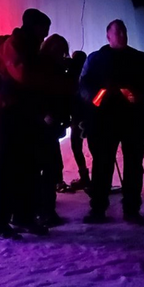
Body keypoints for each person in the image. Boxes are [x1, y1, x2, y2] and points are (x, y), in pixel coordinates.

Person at [0, 8, 54, 239]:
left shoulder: (31, 47)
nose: (44, 36)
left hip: (24, 115)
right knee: (5, 170)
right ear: (33, 26)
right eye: (43, 31)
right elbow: (23, 75)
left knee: (28, 168)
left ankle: (23, 216)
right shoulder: (13, 44)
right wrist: (49, 75)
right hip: (6, 115)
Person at [79, 19, 144, 225]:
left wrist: (136, 93)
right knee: (102, 166)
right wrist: (99, 96)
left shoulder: (140, 58)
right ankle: (98, 208)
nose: (122, 35)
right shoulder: (96, 59)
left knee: (133, 166)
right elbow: (84, 86)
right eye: (118, 32)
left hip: (133, 120)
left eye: (124, 32)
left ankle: (131, 209)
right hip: (104, 121)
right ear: (108, 36)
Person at [35, 34, 74, 226]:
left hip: (51, 124)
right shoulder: (44, 69)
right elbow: (37, 94)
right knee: (46, 168)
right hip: (43, 125)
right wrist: (44, 114)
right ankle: (44, 211)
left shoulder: (58, 69)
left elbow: (65, 96)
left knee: (50, 168)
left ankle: (46, 209)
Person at [60, 50, 91, 193]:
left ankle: (85, 177)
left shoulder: (71, 75)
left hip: (78, 116)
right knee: (92, 147)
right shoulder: (87, 75)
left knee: (77, 146)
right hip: (88, 116)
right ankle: (91, 178)